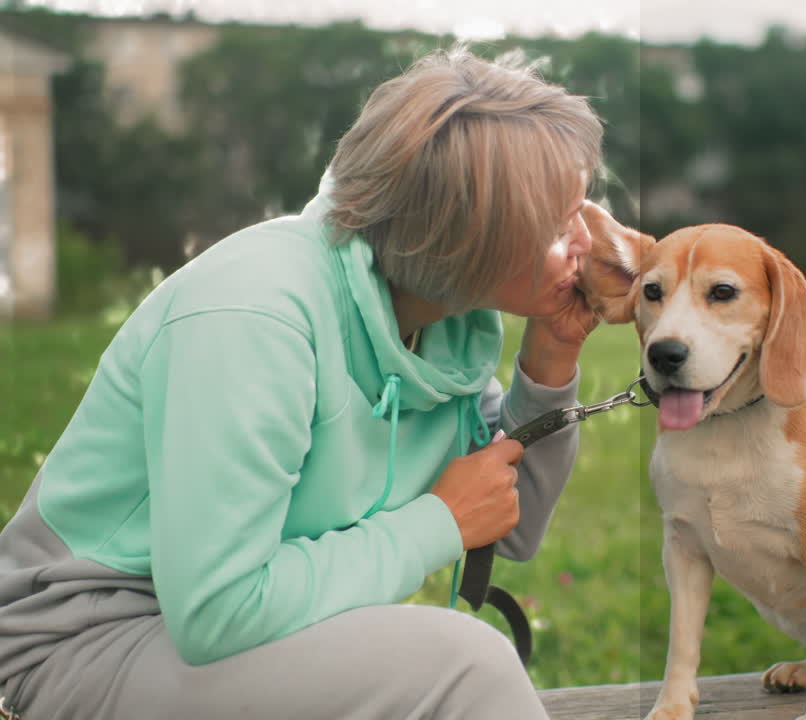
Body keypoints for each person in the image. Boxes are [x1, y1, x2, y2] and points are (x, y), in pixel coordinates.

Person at [0, 47, 603, 720]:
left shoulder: (442, 325)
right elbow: (217, 611)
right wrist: (435, 523)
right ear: (470, 240)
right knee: (473, 669)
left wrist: (552, 356)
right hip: (83, 644)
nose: (588, 241)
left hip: (219, 638)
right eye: (559, 225)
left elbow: (504, 524)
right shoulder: (255, 315)